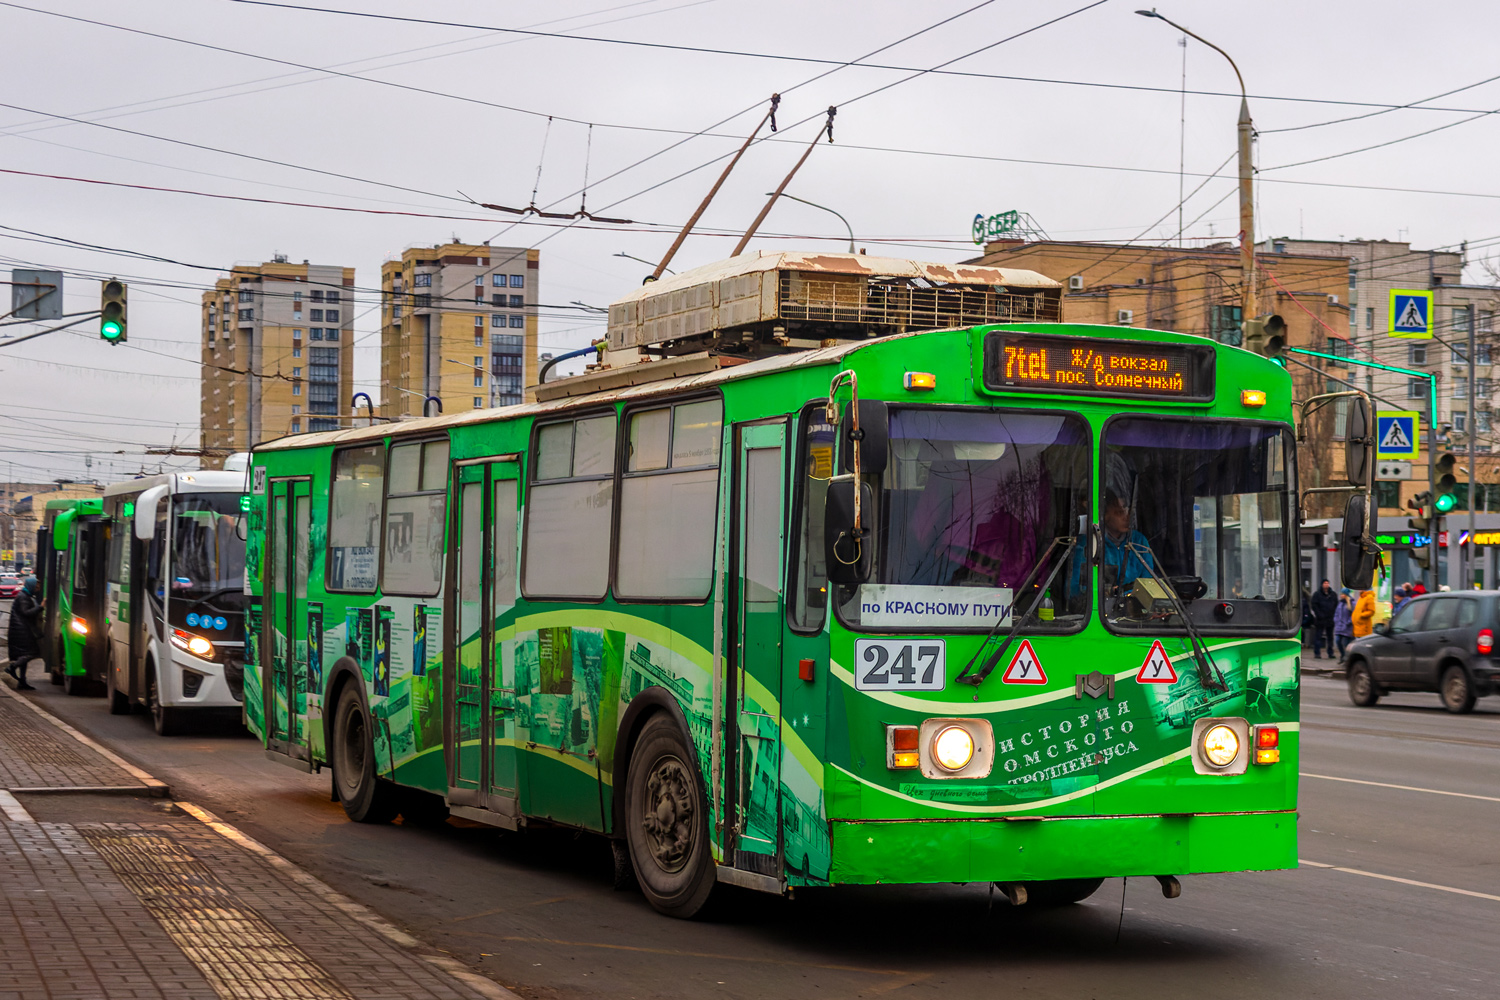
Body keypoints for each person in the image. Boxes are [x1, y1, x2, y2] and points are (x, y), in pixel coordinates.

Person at [5, 575, 42, 690]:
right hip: (22, 631)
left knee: (24, 655)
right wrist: (41, 607)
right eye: (37, 585)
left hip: (23, 630)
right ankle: (12, 667)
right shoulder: (23, 597)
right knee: (32, 653)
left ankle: (22, 681)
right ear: (31, 585)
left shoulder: (27, 595)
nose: (38, 588)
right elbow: (26, 612)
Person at [1310, 579, 1338, 659]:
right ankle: (1317, 653)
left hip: (1330, 619)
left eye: (1327, 583)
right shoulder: (1317, 595)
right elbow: (1314, 605)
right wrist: (1319, 614)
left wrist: (1332, 614)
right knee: (1318, 636)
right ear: (1322, 584)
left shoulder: (1332, 595)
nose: (1326, 585)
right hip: (1320, 619)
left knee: (1330, 637)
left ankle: (1330, 653)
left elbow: (1335, 604)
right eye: (1325, 583)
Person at [1333, 589, 1355, 660]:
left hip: (1347, 627)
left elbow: (1354, 614)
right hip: (1339, 627)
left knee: (1345, 643)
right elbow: (1336, 613)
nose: (1341, 595)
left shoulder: (1352, 603)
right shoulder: (1340, 603)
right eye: (1341, 594)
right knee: (1337, 641)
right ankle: (1343, 655)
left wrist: (1349, 622)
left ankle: (1346, 657)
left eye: (1343, 594)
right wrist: (1336, 621)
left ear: (1346, 595)